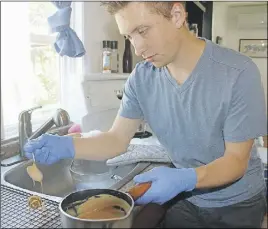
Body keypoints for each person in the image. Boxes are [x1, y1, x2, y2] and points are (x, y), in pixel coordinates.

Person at [24, 2, 267, 228]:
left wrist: (186, 178)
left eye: (143, 30)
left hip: (238, 205)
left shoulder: (238, 72)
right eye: (129, 36)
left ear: (176, 15)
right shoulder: (141, 79)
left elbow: (236, 161)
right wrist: (68, 145)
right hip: (186, 201)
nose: (138, 48)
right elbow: (116, 140)